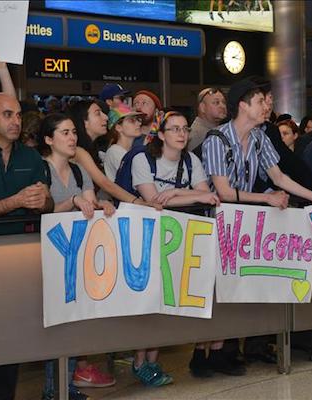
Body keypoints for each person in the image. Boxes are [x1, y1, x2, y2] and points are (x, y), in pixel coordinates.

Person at [129, 111, 219, 385]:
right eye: (174, 129)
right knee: (149, 301)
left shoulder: (191, 160)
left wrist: (178, 193)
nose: (181, 134)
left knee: (168, 301)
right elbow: (154, 201)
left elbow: (209, 196)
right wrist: (190, 195)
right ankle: (138, 361)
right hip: (147, 238)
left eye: (184, 129)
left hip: (180, 240)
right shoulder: (142, 159)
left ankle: (152, 363)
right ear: (161, 134)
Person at [0, 93, 54, 400]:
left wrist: (41, 201)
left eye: (19, 115)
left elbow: (46, 203)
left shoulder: (31, 157)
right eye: (7, 115)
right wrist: (17, 201)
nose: (16, 121)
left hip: (19, 259)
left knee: (11, 337)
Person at [37, 113, 116, 399]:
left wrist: (103, 205)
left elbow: (90, 202)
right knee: (55, 323)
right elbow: (40, 210)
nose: (72, 138)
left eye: (73, 132)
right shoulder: (40, 169)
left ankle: (65, 384)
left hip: (76, 257)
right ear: (48, 139)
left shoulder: (80, 171)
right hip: (48, 256)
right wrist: (71, 201)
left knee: (74, 320)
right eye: (65, 132)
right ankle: (51, 387)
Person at [202, 77, 312, 209]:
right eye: (260, 102)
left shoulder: (259, 137)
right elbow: (225, 193)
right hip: (216, 219)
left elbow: (279, 178)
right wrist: (267, 197)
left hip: (242, 217)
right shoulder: (217, 140)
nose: (266, 107)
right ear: (243, 105)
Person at [68, 100, 150, 206]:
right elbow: (105, 183)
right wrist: (138, 202)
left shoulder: (94, 151)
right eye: (98, 113)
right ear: (84, 122)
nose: (106, 117)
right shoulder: (78, 151)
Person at [104, 104, 144, 182]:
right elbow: (138, 177)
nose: (139, 123)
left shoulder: (129, 150)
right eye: (132, 120)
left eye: (138, 120)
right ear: (118, 127)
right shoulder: (114, 151)